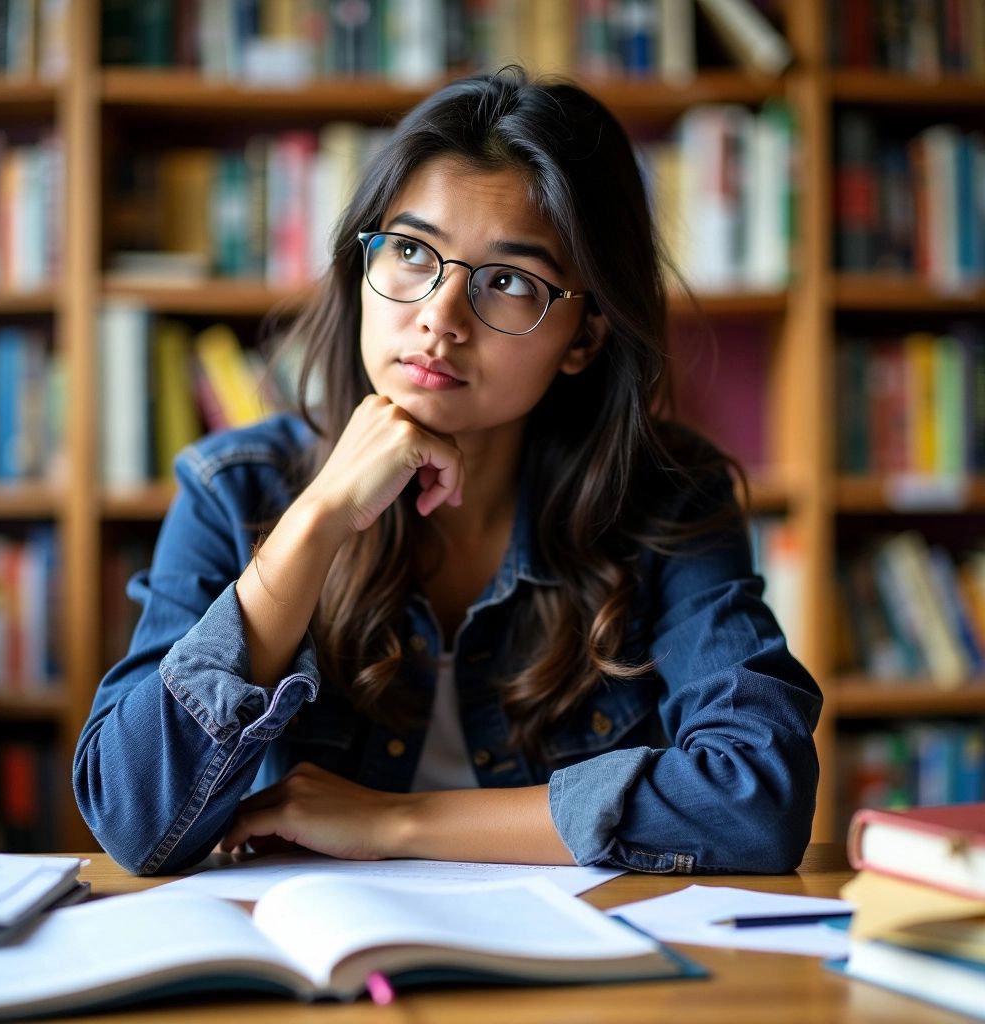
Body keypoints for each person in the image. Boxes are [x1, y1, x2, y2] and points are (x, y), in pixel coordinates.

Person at [74, 68, 822, 877]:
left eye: (507, 281)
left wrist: (394, 824)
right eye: (408, 251)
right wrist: (318, 519)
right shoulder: (237, 490)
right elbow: (134, 818)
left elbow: (758, 797)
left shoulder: (665, 500)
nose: (438, 317)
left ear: (583, 339)